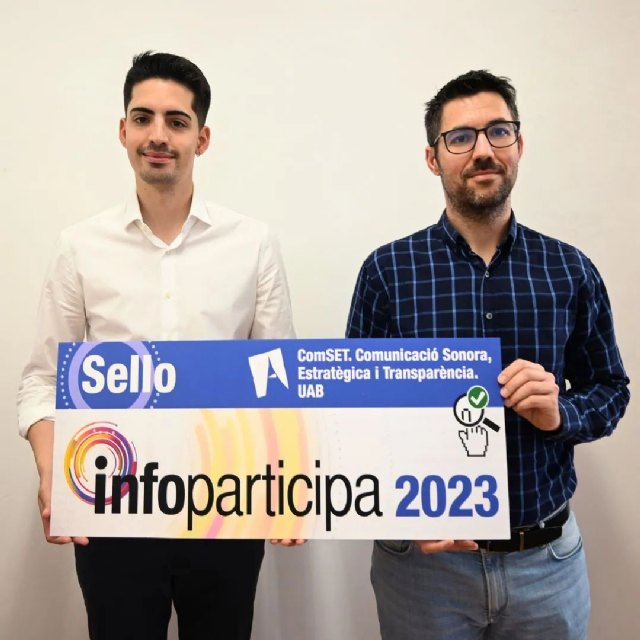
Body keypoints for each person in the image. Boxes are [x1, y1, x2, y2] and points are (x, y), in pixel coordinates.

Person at [18, 51, 296, 640]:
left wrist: (288, 480)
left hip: (226, 508)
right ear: (123, 130)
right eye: (143, 118)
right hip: (110, 509)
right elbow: (43, 379)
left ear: (202, 137)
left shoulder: (252, 243)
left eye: (177, 121)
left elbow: (278, 378)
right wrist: (49, 471)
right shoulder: (79, 246)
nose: (158, 135)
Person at [346, 70, 630, 640]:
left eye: (498, 132)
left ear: (519, 145)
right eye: (460, 137)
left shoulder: (570, 269)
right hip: (423, 570)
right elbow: (355, 414)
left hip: (545, 563)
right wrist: (399, 510)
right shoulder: (387, 272)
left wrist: (561, 413)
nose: (482, 150)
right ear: (433, 158)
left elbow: (610, 389)